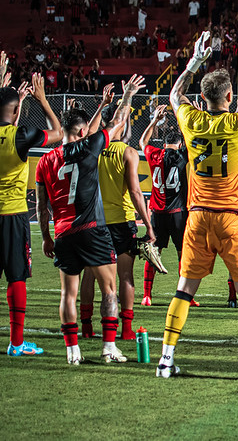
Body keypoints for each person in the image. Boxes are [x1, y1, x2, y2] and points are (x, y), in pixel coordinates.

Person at [156, 30, 238, 381]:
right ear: (231, 96)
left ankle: (166, 360)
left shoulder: (191, 120)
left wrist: (195, 61)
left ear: (202, 99)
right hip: (233, 219)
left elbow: (173, 94)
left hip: (198, 217)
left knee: (185, 290)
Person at [35, 75, 142, 364]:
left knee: (67, 294)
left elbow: (41, 206)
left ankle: (73, 352)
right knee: (109, 290)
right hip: (93, 229)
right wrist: (127, 95)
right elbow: (117, 124)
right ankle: (109, 347)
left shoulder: (45, 160)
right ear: (82, 131)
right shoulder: (88, 148)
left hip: (63, 233)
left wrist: (46, 236)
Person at [0, 68, 62, 356]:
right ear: (15, 114)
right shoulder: (20, 137)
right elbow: (58, 133)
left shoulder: (13, 130)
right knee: (16, 278)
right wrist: (42, 100)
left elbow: (7, 117)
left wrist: (11, 96)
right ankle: (15, 344)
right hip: (12, 216)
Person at [90, 87, 157, 340]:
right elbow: (136, 192)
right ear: (119, 124)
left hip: (95, 220)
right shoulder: (128, 153)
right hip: (122, 221)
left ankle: (87, 325)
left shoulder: (92, 148)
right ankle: (126, 329)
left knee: (92, 277)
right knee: (125, 276)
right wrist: (148, 225)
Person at [139, 105, 192, 307]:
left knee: (153, 252)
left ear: (163, 143)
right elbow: (192, 140)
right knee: (182, 254)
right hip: (178, 214)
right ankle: (184, 296)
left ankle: (147, 295)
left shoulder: (154, 155)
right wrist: (184, 120)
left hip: (158, 214)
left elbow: (142, 141)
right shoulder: (181, 156)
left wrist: (154, 121)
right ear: (179, 145)